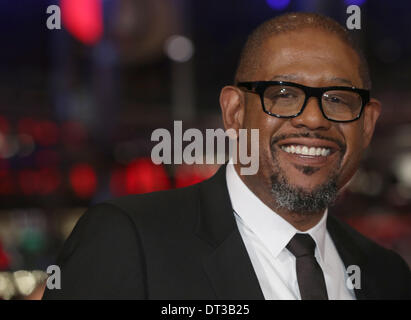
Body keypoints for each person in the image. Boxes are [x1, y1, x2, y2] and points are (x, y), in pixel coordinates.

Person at [43, 12, 411, 300]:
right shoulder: (127, 241)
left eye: (338, 99)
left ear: (367, 123)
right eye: (282, 94)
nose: (313, 119)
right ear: (234, 112)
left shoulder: (386, 275)